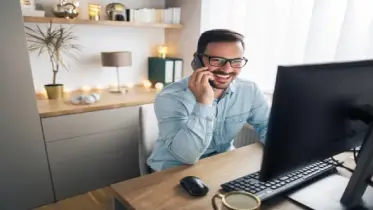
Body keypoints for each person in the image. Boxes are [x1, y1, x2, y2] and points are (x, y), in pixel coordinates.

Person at [147, 29, 270, 172]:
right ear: (197, 61)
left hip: (221, 164)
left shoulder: (250, 90)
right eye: (217, 60)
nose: (227, 69)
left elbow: (268, 125)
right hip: (173, 169)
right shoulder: (171, 96)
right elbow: (187, 157)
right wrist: (204, 103)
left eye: (236, 61)